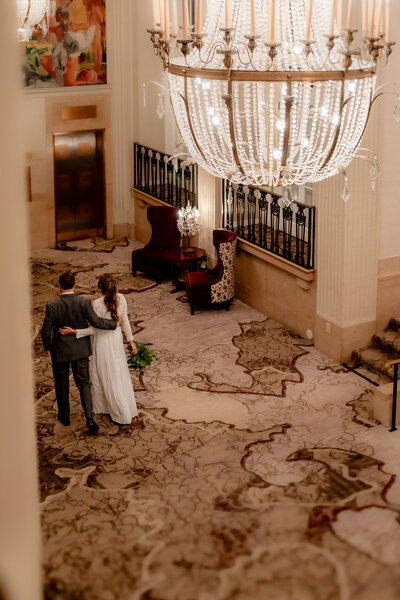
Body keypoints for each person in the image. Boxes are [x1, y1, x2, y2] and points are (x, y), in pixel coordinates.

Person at [41, 271, 118, 432]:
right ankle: (89, 419)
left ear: (59, 285)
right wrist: (113, 324)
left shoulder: (52, 305)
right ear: (75, 284)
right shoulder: (84, 301)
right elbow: (95, 322)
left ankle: (64, 416)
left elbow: (45, 331)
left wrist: (50, 348)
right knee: (84, 383)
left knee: (61, 384)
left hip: (60, 351)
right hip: (81, 349)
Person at [59, 274, 139, 425]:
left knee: (106, 375)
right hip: (115, 341)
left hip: (102, 344)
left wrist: (75, 331)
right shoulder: (121, 298)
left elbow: (95, 330)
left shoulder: (96, 304)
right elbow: (125, 322)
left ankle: (119, 411)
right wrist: (131, 341)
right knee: (117, 373)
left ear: (99, 288)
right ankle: (118, 407)